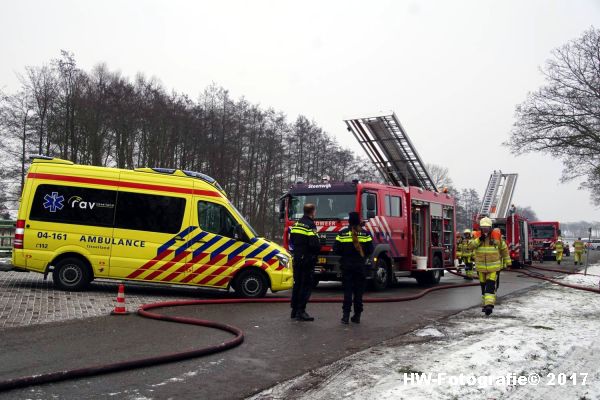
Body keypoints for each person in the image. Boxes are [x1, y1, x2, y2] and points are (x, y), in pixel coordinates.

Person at [334, 211, 373, 324]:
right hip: (360, 267)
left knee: (347, 291)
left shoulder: (342, 234)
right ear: (358, 221)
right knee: (358, 292)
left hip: (346, 266)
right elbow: (370, 250)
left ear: (349, 222)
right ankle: (357, 316)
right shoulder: (366, 234)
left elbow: (336, 249)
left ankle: (345, 316)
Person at [470, 217, 511, 316]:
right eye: (483, 228)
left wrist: (508, 262)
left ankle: (489, 305)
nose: (485, 230)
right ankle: (485, 304)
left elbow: (504, 249)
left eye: (487, 228)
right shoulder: (477, 236)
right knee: (483, 287)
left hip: (493, 268)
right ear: (480, 228)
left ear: (490, 227)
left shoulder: (496, 237)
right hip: (481, 268)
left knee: (490, 286)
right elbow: (470, 246)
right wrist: (479, 240)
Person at [289, 203, 321, 321]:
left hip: (297, 258)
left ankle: (294, 310)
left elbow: (291, 240)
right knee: (306, 285)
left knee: (297, 284)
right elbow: (314, 244)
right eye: (315, 211)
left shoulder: (296, 224)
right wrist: (317, 249)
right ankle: (301, 311)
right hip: (307, 259)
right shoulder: (310, 225)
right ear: (312, 212)